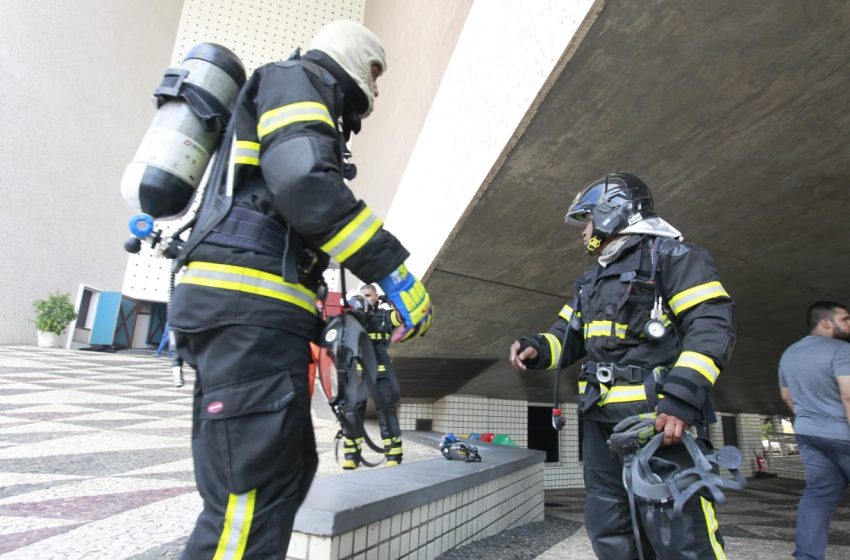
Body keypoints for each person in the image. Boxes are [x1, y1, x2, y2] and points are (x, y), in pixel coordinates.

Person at [168, 20, 433, 559]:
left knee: (283, 476)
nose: (376, 90)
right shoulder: (298, 79)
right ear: (351, 57)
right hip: (249, 316)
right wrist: (392, 271)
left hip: (253, 319)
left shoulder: (296, 92)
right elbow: (303, 181)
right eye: (376, 73)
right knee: (249, 499)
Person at [508, 173, 735, 559]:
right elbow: (567, 336)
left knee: (681, 530)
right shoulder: (590, 281)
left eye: (589, 221)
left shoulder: (674, 258)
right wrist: (535, 348)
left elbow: (712, 326)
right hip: (600, 426)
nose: (585, 233)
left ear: (612, 213)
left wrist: (680, 399)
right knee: (610, 527)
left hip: (658, 423)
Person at [778, 301, 850, 560]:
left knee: (818, 496)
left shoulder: (790, 353)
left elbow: (787, 397)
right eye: (845, 318)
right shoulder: (841, 350)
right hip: (843, 434)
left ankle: (806, 557)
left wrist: (809, 418)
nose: (849, 323)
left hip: (809, 433)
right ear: (826, 322)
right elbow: (848, 396)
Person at [341, 283, 404, 469]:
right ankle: (352, 456)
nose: (365, 298)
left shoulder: (385, 315)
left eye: (369, 295)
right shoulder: (353, 318)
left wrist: (392, 302)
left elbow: (402, 318)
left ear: (377, 297)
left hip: (381, 375)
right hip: (358, 376)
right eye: (362, 295)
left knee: (386, 413)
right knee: (352, 415)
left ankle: (393, 455)